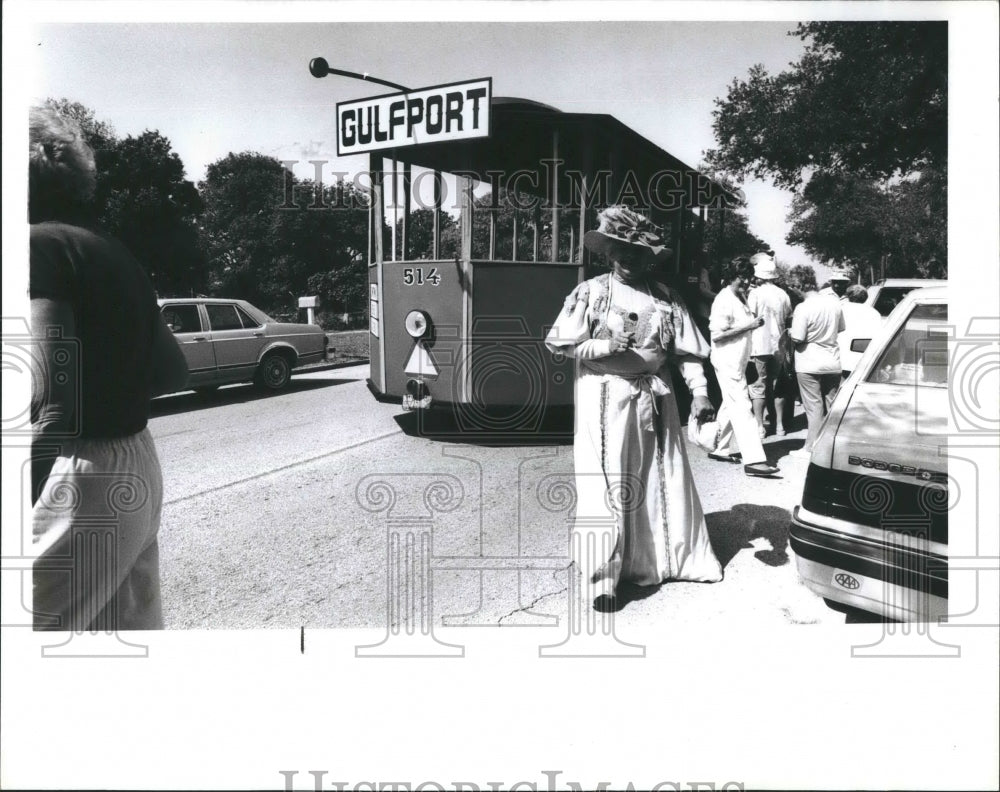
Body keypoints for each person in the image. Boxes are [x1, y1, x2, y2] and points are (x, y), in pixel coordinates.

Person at [29, 106, 189, 631]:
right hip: (137, 466)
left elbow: (55, 404)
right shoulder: (112, 252)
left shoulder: (37, 248)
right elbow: (173, 373)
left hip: (76, 476)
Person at [545, 205, 722, 611]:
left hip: (655, 398)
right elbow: (564, 344)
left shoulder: (665, 297)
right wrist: (604, 346)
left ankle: (660, 560)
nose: (629, 258)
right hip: (603, 396)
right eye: (620, 249)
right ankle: (603, 579)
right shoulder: (591, 292)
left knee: (659, 474)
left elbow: (686, 353)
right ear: (608, 251)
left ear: (649, 256)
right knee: (606, 482)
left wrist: (698, 391)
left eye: (638, 251)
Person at [706, 256, 780, 477]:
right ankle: (754, 459)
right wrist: (750, 325)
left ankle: (718, 447)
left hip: (738, 361)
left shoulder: (740, 297)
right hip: (727, 361)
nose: (747, 282)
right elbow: (718, 335)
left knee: (730, 406)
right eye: (742, 277)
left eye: (749, 278)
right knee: (743, 408)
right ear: (732, 277)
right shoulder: (724, 299)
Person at [788, 275, 845, 459]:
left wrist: (788, 333)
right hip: (832, 360)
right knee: (832, 404)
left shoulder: (803, 307)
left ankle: (811, 447)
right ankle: (832, 446)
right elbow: (841, 329)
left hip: (808, 361)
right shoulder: (835, 305)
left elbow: (798, 337)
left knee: (814, 407)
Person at [747, 252, 792, 437]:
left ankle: (759, 426)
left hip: (758, 344)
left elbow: (750, 318)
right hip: (778, 345)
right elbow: (789, 319)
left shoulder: (755, 294)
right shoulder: (783, 295)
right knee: (777, 386)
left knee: (758, 386)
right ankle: (779, 425)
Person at [838, 284, 883, 376]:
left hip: (840, 358)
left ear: (848, 296)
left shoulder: (840, 309)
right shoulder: (874, 313)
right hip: (863, 360)